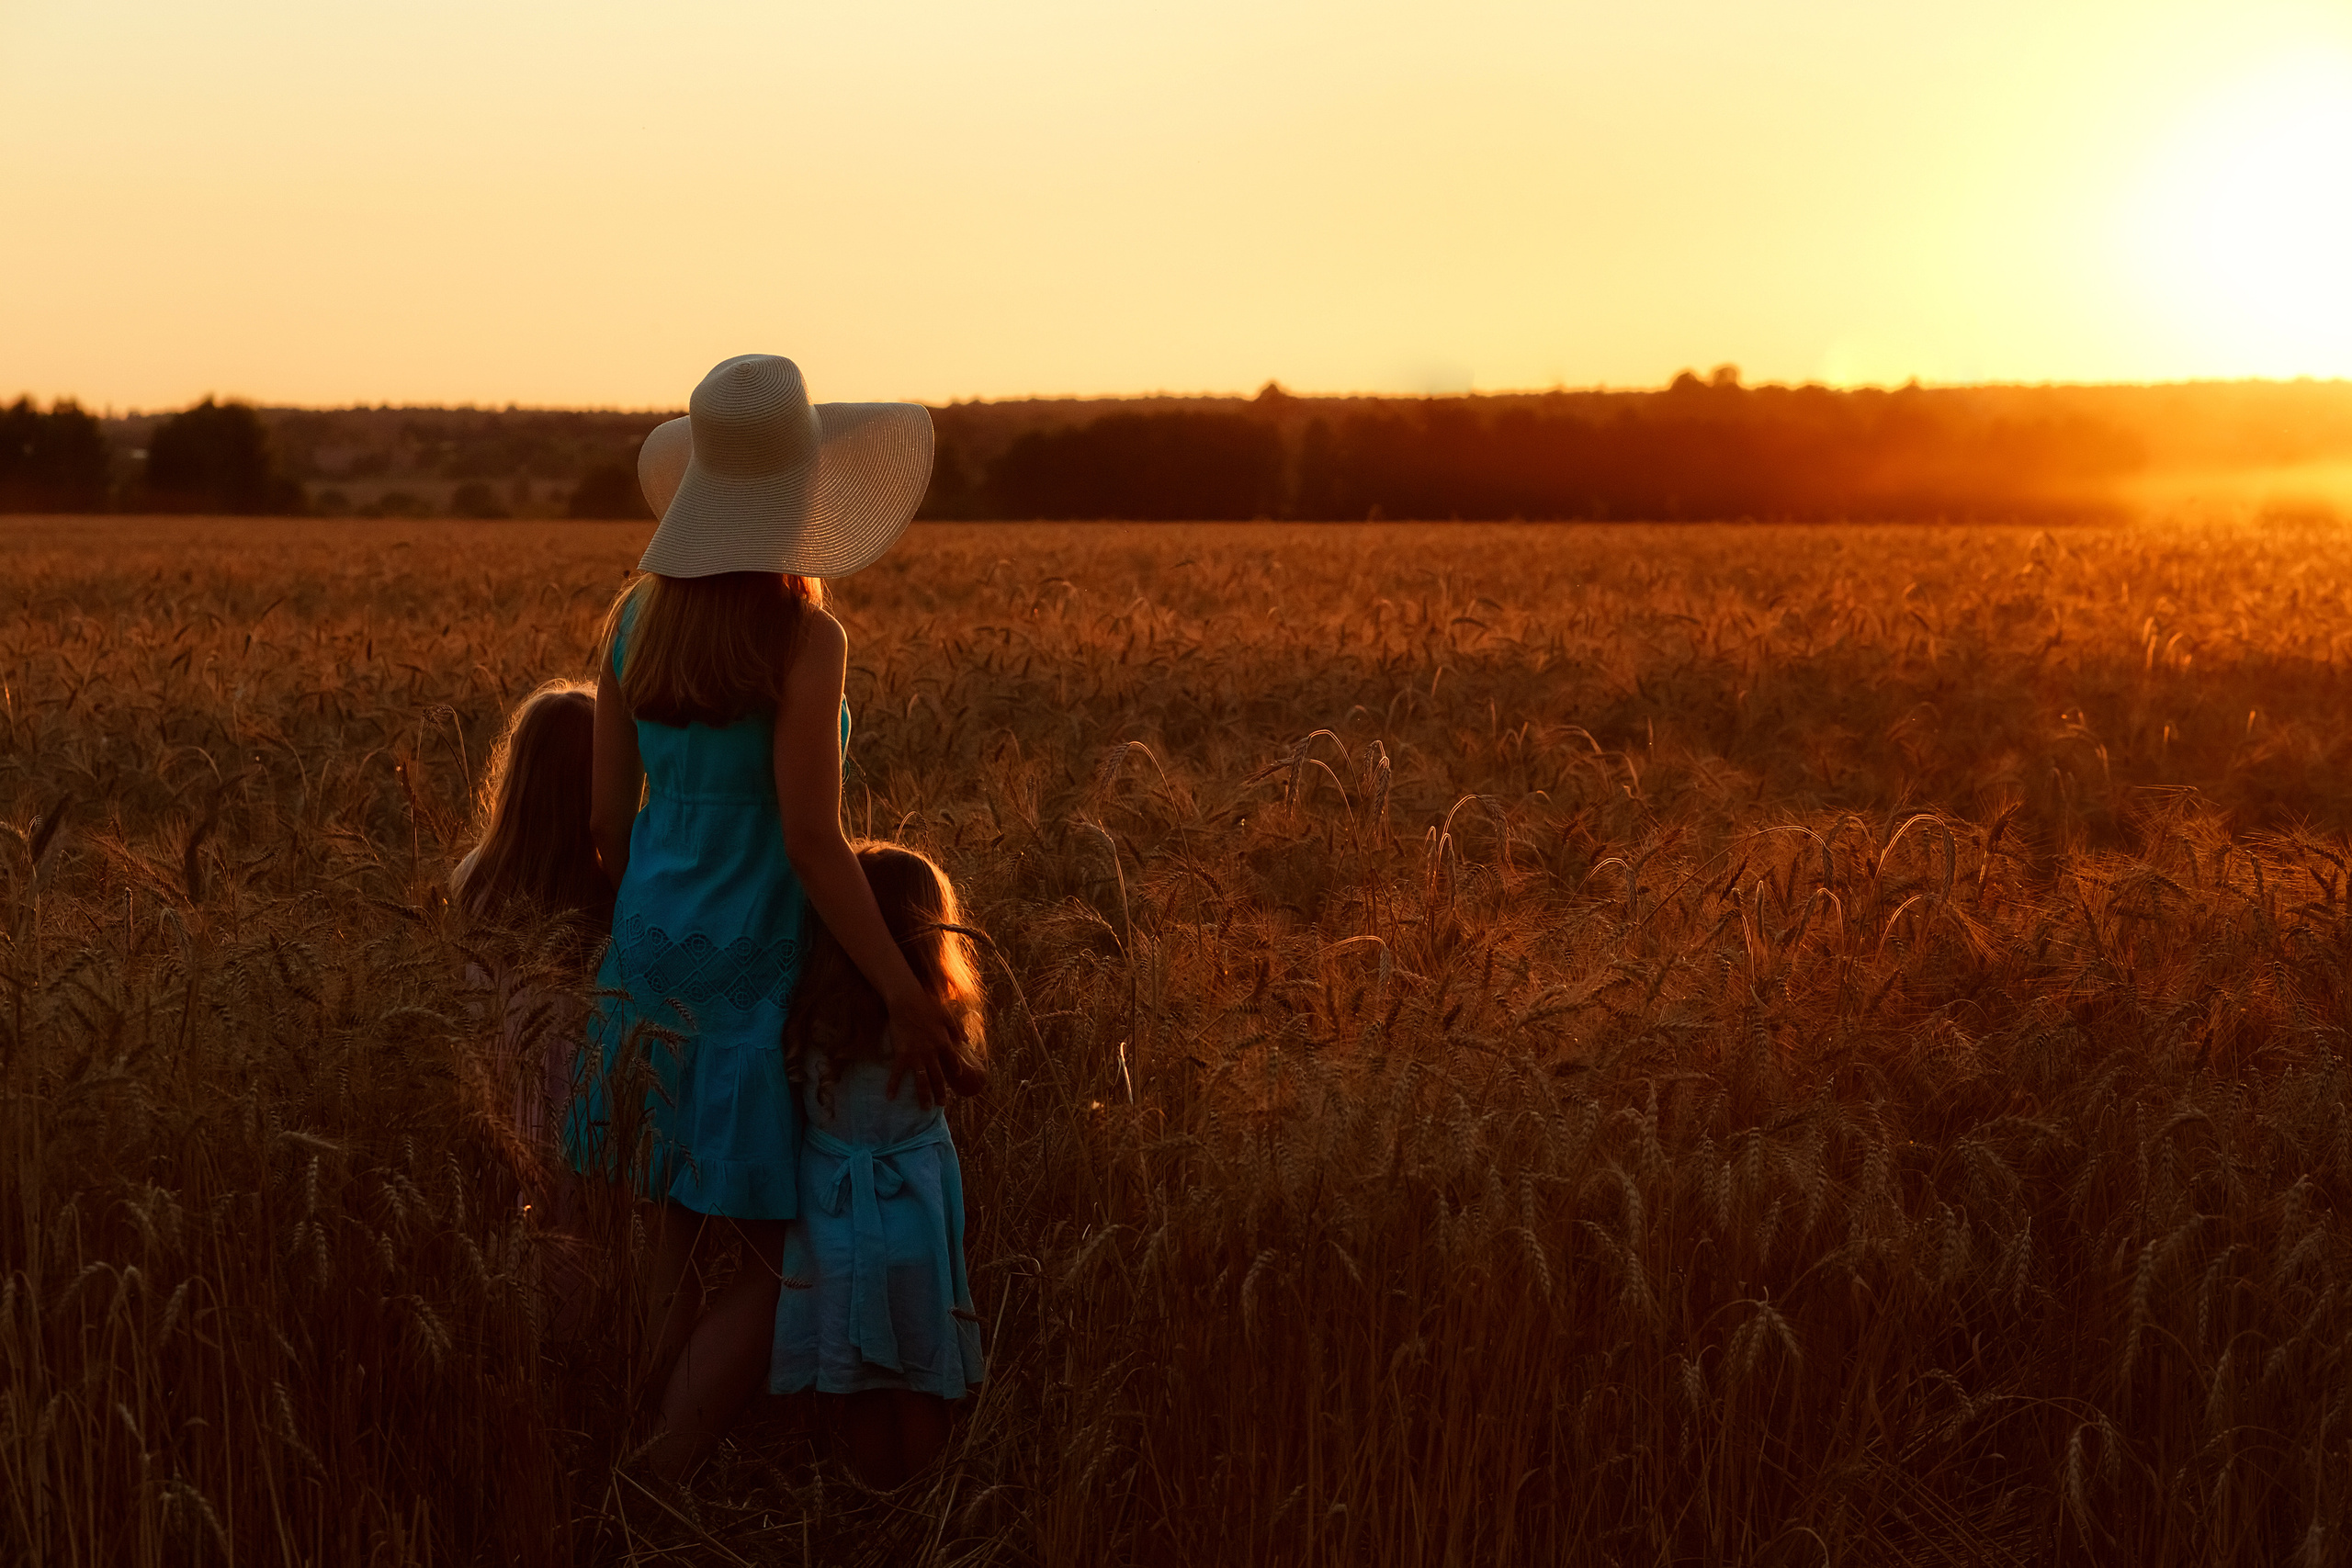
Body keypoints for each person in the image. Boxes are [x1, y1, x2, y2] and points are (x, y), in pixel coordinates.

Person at [564, 353, 962, 1482]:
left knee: (665, 1230)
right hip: (753, 966)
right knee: (766, 1258)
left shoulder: (634, 626)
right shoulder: (804, 639)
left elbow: (605, 821)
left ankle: (630, 1436)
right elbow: (807, 838)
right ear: (799, 494)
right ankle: (659, 1475)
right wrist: (901, 989)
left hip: (648, 956)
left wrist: (656, 908)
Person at [770, 842, 989, 1489]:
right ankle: (926, 1513)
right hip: (914, 1226)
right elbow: (971, 1082)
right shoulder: (929, 1022)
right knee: (920, 1378)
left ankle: (871, 1509)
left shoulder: (810, 1020)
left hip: (834, 1228)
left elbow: (790, 1108)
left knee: (857, 1381)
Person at [449, 680, 612, 1316]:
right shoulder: (605, 894)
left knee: (502, 1216)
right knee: (578, 1234)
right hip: (579, 1102)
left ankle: (506, 1334)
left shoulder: (472, 879)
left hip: (494, 1084)